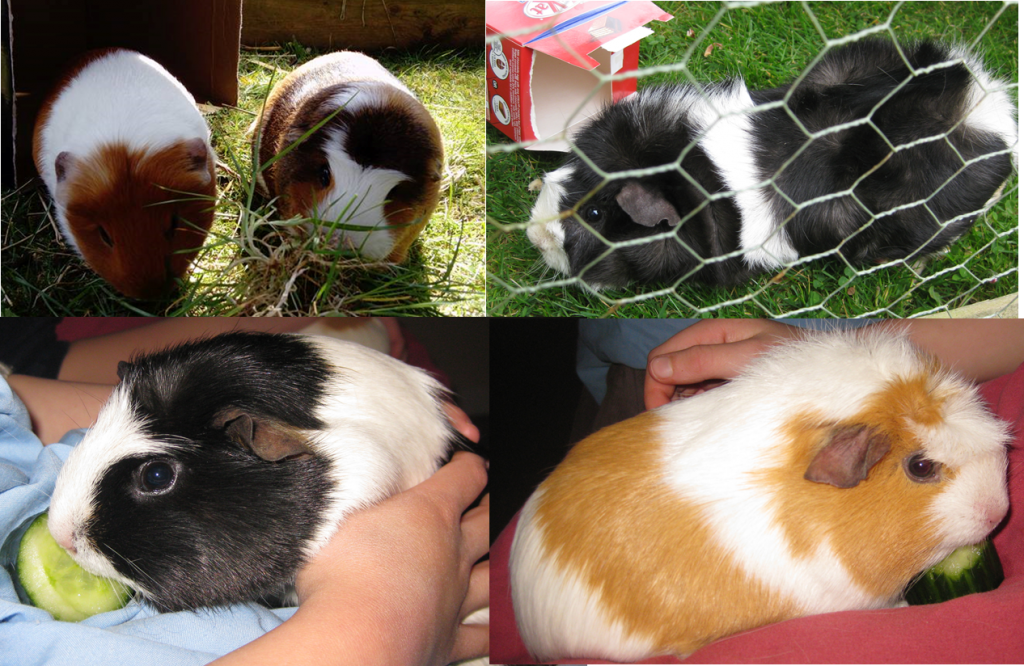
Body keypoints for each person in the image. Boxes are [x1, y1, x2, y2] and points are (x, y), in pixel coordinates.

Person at [0, 320, 488, 666]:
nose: (66, 532)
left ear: (263, 446)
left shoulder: (334, 462)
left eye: (154, 477)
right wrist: (374, 631)